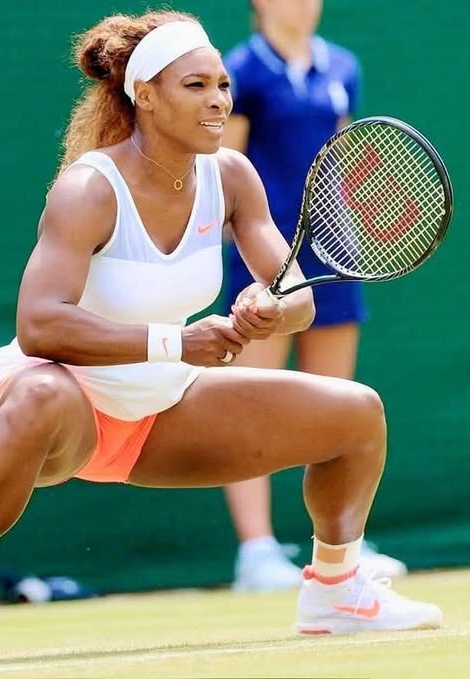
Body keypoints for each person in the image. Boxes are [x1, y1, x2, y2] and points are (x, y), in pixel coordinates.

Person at [0, 10, 441, 671]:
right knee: (38, 393)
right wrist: (177, 344)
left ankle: (336, 590)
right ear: (145, 95)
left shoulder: (232, 176)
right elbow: (40, 325)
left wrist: (270, 306)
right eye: (195, 86)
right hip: (60, 410)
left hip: (157, 413)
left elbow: (300, 301)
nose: (218, 100)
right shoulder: (89, 188)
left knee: (357, 414)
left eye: (223, 85)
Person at [220, 0, 408, 592]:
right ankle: (256, 553)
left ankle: (340, 551)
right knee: (249, 407)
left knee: (335, 407)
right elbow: (226, 169)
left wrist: (362, 221)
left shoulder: (342, 67)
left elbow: (346, 160)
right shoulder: (240, 71)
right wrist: (250, 249)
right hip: (263, 258)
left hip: (336, 254)